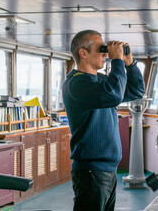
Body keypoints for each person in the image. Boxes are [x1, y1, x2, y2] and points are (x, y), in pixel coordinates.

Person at [62, 30, 145, 211]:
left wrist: (129, 64)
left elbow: (136, 91)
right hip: (91, 171)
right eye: (100, 49)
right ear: (83, 53)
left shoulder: (99, 81)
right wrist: (116, 61)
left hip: (106, 171)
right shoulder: (77, 83)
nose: (105, 54)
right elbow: (114, 94)